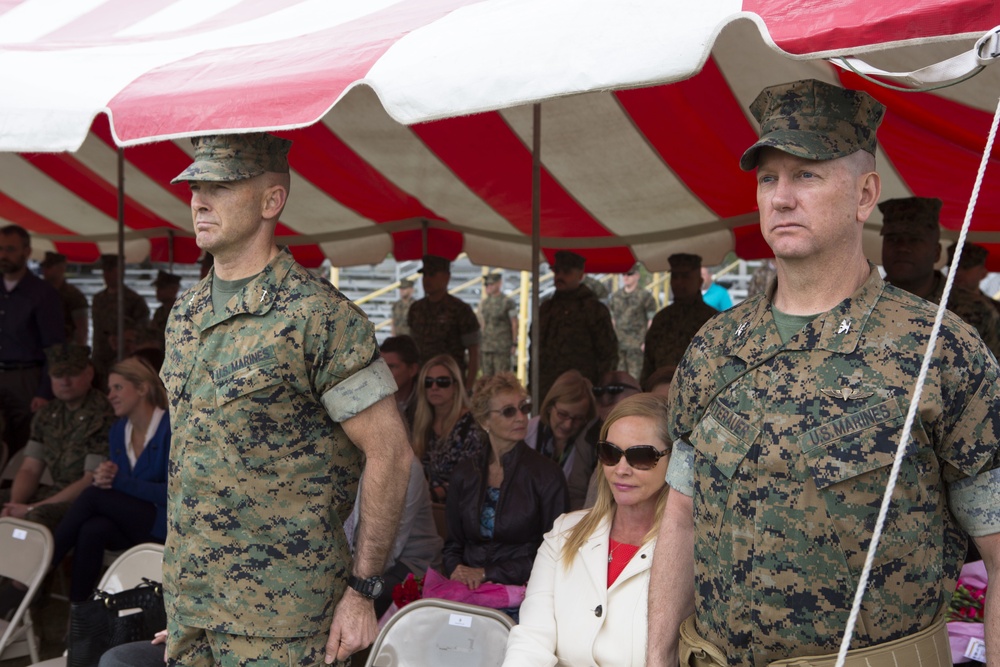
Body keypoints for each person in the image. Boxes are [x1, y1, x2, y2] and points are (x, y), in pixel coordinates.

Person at [647, 79, 1000, 667]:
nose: (781, 197)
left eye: (807, 174)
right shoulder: (714, 347)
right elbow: (681, 518)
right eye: (768, 178)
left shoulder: (939, 350)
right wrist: (656, 655)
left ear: (865, 195)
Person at [162, 132, 412, 666]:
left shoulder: (317, 316)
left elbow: (391, 453)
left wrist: (363, 592)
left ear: (271, 201)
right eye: (194, 187)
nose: (198, 201)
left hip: (283, 619)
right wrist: (186, 599)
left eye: (220, 187)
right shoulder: (185, 317)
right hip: (191, 607)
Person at [502, 394, 672, 666]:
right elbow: (532, 639)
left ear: (674, 460)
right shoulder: (564, 532)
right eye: (611, 453)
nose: (621, 469)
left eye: (641, 456)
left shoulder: (690, 550)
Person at [49, 356, 170, 603]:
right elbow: (121, 489)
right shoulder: (118, 430)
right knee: (93, 529)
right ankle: (79, 616)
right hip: (134, 525)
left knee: (95, 496)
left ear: (142, 388)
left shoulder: (170, 427)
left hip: (165, 527)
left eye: (118, 387)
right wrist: (105, 477)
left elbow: (171, 494)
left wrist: (116, 482)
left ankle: (42, 565)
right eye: (109, 389)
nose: (110, 395)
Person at [443, 373, 568, 604]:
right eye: (509, 411)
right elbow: (453, 544)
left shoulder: (547, 475)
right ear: (484, 421)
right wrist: (457, 569)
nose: (521, 417)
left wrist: (486, 573)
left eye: (524, 407)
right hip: (467, 591)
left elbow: (555, 552)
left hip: (524, 593)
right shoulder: (465, 473)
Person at [0, 343, 114, 530]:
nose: (65, 381)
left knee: (37, 516)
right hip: (54, 491)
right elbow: (30, 469)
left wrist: (29, 508)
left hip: (85, 498)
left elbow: (89, 481)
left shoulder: (103, 414)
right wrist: (13, 505)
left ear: (89, 374)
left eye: (72, 374)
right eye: (58, 375)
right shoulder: (46, 415)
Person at [881, 196, 1000, 358]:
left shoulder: (977, 313)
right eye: (893, 239)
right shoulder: (858, 300)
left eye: (915, 240)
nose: (902, 247)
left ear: (936, 253)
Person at [343, 457, 443, 618]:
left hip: (408, 564)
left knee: (352, 593)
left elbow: (391, 550)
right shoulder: (347, 461)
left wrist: (351, 578)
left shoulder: (406, 468)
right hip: (358, 559)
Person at [0, 225, 65, 456]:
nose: (3, 255)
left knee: (24, 443)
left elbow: (54, 347)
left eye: (10, 249)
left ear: (26, 252)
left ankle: (15, 491)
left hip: (26, 377)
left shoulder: (42, 293)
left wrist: (45, 391)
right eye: (0, 249)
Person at [535, 250, 618, 403]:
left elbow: (608, 353)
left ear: (580, 275)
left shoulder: (593, 309)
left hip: (581, 393)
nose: (559, 276)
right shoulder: (546, 309)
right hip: (547, 389)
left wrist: (599, 389)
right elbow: (535, 348)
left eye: (566, 272)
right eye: (557, 271)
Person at [411, 354, 485, 501]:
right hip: (427, 506)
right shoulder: (423, 424)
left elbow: (472, 476)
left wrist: (431, 495)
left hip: (460, 507)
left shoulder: (471, 425)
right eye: (428, 382)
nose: (434, 387)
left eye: (442, 382)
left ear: (456, 386)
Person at [640, 253, 717, 386]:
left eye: (685, 277)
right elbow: (648, 366)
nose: (678, 282)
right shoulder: (661, 319)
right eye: (674, 277)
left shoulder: (713, 320)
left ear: (699, 282)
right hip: (662, 394)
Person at [407, 255, 481, 389]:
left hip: (449, 383)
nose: (427, 280)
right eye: (425, 275)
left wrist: (468, 389)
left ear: (447, 277)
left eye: (432, 274)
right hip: (421, 382)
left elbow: (474, 354)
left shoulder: (460, 310)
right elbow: (411, 348)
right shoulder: (416, 309)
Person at [524, 369, 596, 480]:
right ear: (549, 407)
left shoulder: (588, 444)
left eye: (578, 418)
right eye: (562, 414)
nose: (568, 425)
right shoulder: (528, 431)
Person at [91, 254, 149, 370]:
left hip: (122, 356)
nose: (106, 275)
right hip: (99, 355)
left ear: (121, 271)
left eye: (111, 270)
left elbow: (142, 329)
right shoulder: (98, 298)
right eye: (105, 271)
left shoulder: (134, 299)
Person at [608, 263, 657, 378]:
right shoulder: (616, 296)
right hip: (619, 344)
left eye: (629, 274)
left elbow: (651, 320)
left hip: (637, 345)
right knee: (619, 378)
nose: (625, 277)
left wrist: (646, 341)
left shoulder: (645, 296)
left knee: (636, 378)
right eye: (623, 274)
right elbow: (612, 319)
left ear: (637, 276)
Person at [41, 250, 89, 346]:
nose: (45, 270)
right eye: (44, 266)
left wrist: (77, 354)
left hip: (65, 352)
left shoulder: (73, 295)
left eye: (49, 267)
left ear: (61, 268)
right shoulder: (39, 293)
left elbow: (82, 331)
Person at [479, 273, 518, 377]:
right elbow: (483, 324)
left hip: (501, 347)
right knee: (486, 378)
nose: (489, 287)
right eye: (487, 285)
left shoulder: (507, 302)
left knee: (501, 378)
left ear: (499, 284)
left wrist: (514, 343)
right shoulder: (485, 303)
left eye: (491, 284)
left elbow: (514, 322)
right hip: (487, 346)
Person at [947, 241, 1000, 316]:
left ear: (983, 273)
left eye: (966, 267)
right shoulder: (936, 302)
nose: (958, 273)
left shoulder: (995, 309)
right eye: (953, 267)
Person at [380, 335, 421, 430]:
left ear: (412, 370)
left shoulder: (428, 403)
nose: (383, 372)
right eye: (380, 366)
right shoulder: (371, 401)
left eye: (391, 367)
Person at [149, 270, 181, 345]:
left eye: (162, 288)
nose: (157, 291)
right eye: (157, 288)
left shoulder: (181, 310)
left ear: (174, 289)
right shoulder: (160, 311)